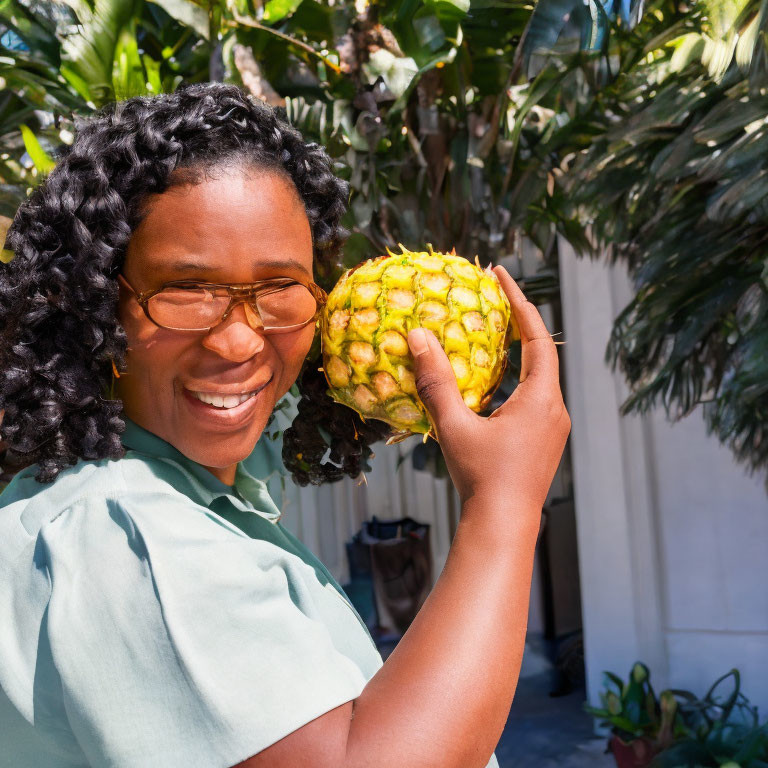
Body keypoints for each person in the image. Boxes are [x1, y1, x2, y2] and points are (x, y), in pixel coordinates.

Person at [0, 83, 570, 768]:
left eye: (278, 288)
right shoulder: (121, 532)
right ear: (94, 304)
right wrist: (504, 504)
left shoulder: (198, 504)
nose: (239, 343)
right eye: (186, 290)